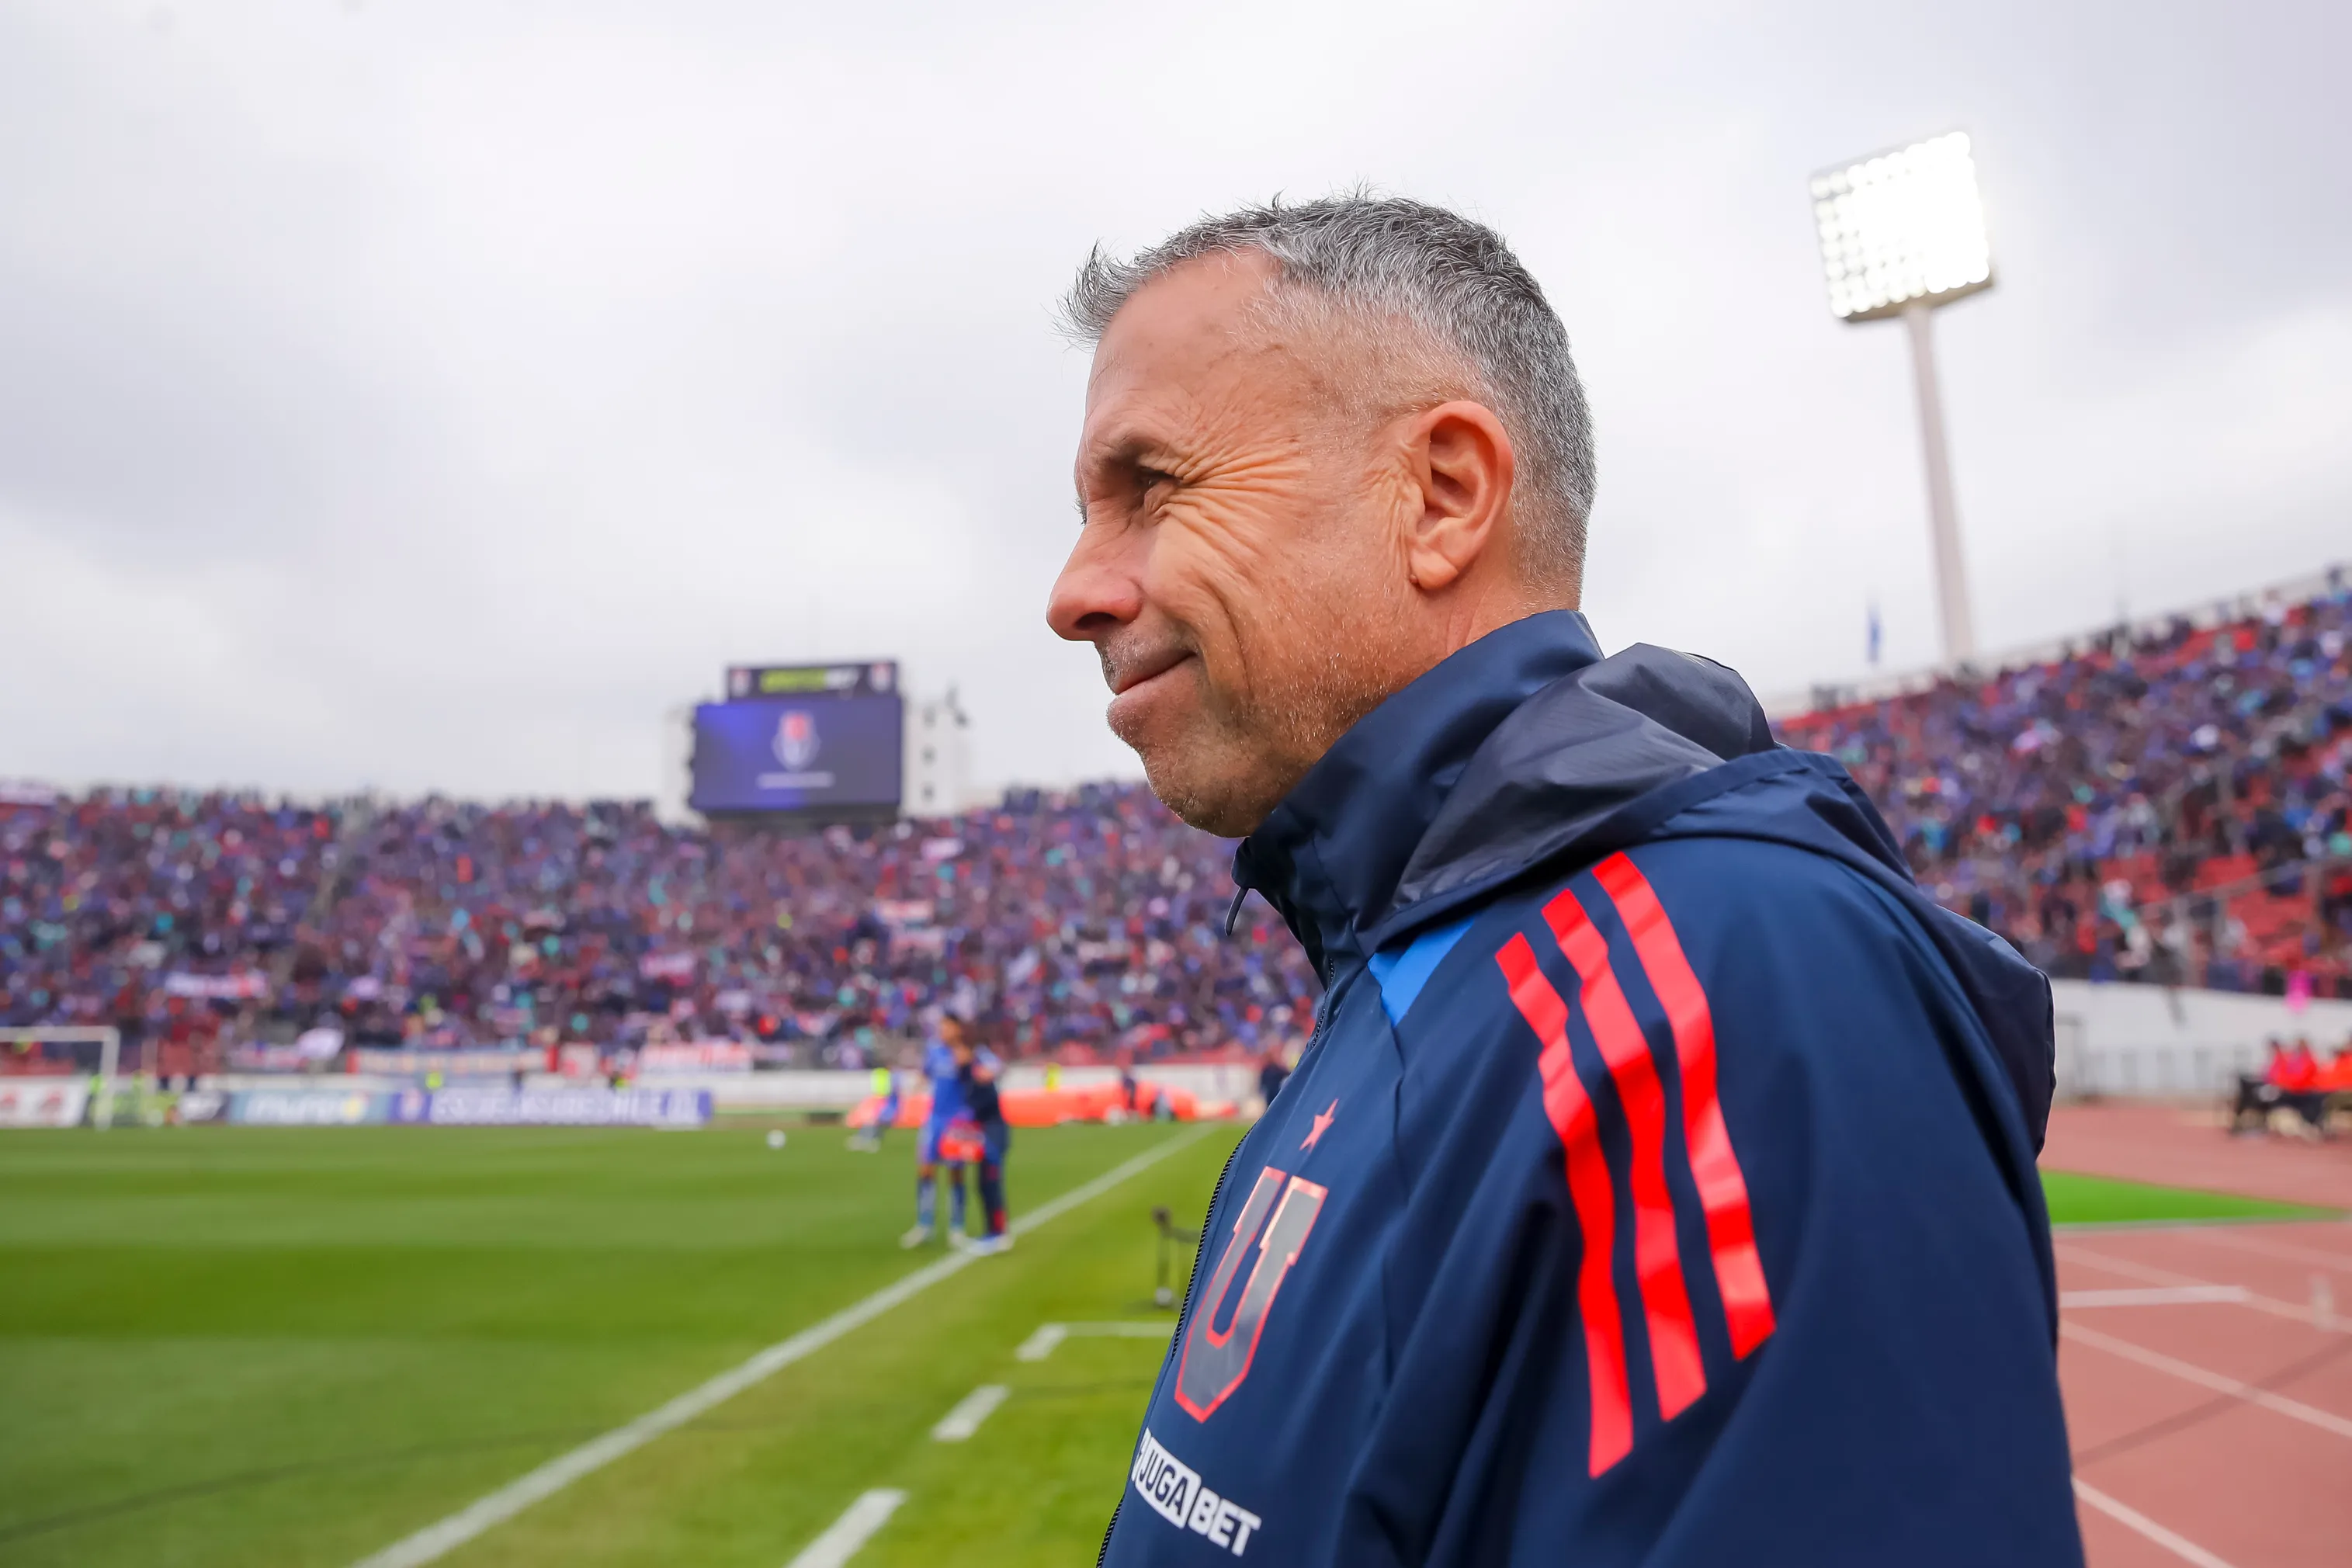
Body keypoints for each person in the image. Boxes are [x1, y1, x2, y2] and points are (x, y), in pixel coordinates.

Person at [1049, 196, 2079, 1564]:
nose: (1074, 591)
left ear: (1442, 496)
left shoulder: (1721, 987)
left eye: (1153, 487)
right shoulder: (1429, 961)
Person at [902, 1015, 973, 1247]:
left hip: (958, 1121)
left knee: (956, 1173)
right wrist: (916, 1085)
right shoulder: (934, 1051)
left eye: (947, 1027)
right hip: (934, 1119)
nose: (943, 1031)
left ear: (958, 1029)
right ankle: (925, 1224)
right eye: (941, 1027)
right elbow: (926, 1073)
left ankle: (957, 1227)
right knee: (925, 1169)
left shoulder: (965, 1054)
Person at [956, 1032, 1014, 1254]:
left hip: (993, 1133)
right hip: (983, 1133)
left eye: (960, 1051)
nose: (956, 1055)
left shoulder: (979, 1073)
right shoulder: (966, 1074)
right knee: (982, 1183)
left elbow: (987, 1098)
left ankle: (998, 1233)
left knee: (990, 1183)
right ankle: (993, 1230)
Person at [850, 1062, 900, 1153]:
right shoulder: (892, 1077)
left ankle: (868, 1140)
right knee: (877, 1123)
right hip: (886, 1103)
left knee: (874, 1122)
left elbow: (889, 1091)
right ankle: (869, 1140)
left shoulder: (889, 1077)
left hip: (885, 1103)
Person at [1255, 1046, 1290, 1113]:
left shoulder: (1275, 1068)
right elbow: (1262, 1080)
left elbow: (1286, 1073)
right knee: (1269, 1105)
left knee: (1273, 1105)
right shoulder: (1267, 1069)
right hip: (1270, 1091)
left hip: (1275, 1090)